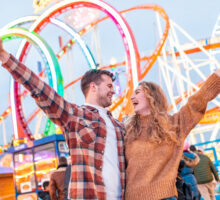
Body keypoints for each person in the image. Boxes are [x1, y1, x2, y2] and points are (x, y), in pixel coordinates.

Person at [0, 38, 125, 199]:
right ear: (93, 87)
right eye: (109, 86)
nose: (113, 91)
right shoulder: (76, 116)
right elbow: (41, 90)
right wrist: (5, 57)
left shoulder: (119, 126)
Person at [124, 68, 220, 199]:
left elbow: (197, 103)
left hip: (164, 196)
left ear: (151, 96)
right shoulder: (128, 132)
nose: (132, 97)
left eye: (138, 92)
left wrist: (217, 77)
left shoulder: (174, 125)